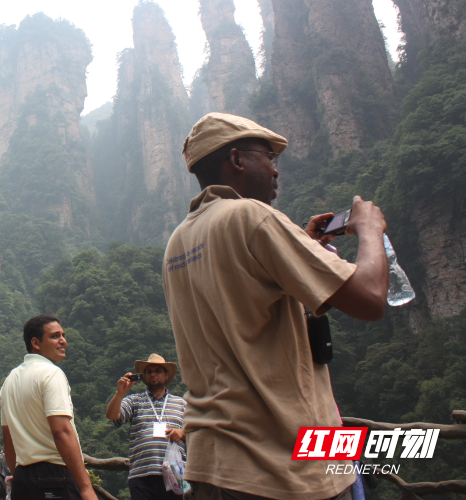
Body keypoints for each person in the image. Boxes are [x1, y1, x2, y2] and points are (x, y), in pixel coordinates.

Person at [163, 113, 389, 500]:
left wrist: (299, 248)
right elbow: (370, 298)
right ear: (237, 160)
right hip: (280, 470)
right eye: (269, 156)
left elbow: (243, 302)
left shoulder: (179, 241)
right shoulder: (253, 217)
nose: (275, 169)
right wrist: (370, 230)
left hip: (212, 467)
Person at [0, 315, 96, 500]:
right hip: (55, 476)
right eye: (55, 336)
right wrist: (86, 487)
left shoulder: (9, 380)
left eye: (63, 335)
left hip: (22, 479)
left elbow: (8, 439)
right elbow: (61, 432)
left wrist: (19, 475)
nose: (63, 341)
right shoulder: (51, 374)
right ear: (36, 343)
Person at [105, 354, 186, 500]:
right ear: (144, 376)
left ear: (166, 376)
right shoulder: (134, 401)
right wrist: (120, 393)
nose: (153, 374)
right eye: (149, 371)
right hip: (141, 475)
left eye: (158, 371)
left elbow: (197, 434)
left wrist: (182, 432)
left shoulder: (181, 404)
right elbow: (112, 415)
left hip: (175, 474)